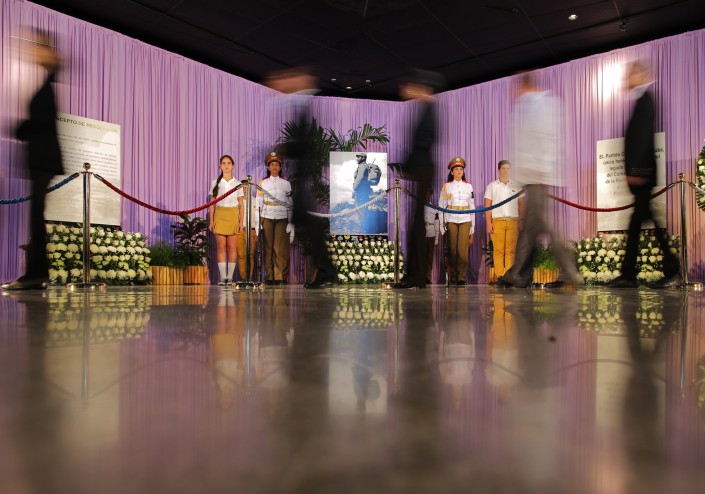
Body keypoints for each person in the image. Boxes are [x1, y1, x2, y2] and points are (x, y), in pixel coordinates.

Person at [496, 71, 582, 289]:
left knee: (542, 225)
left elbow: (547, 140)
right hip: (532, 176)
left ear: (523, 85)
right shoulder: (526, 106)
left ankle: (568, 269)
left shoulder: (543, 104)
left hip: (537, 175)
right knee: (530, 229)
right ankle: (519, 274)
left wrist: (542, 172)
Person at [608, 61, 682, 289]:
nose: (627, 79)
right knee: (640, 221)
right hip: (642, 175)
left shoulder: (646, 100)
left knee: (641, 221)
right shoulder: (642, 100)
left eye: (631, 74)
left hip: (643, 175)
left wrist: (637, 171)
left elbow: (643, 138)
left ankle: (640, 273)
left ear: (641, 75)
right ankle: (637, 273)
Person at [3, 30, 64, 291]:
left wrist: (19, 129)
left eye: (38, 48)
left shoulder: (47, 87)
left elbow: (42, 124)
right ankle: (38, 273)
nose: (33, 53)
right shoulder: (46, 86)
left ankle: (36, 274)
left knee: (37, 216)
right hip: (42, 160)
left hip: (44, 160)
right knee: (37, 215)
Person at [266, 66, 336, 289]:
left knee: (310, 227)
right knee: (309, 227)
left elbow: (306, 145)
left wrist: (286, 148)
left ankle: (327, 271)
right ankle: (326, 271)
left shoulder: (304, 104)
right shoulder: (299, 104)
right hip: (303, 178)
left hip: (305, 177)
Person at [393, 69, 445, 289]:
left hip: (424, 168)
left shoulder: (429, 112)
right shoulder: (426, 110)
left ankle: (416, 275)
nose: (407, 90)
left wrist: (407, 166)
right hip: (422, 168)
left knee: (417, 225)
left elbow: (422, 144)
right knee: (416, 225)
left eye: (412, 86)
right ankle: (416, 275)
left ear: (423, 88)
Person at [256, 151, 293, 285]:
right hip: (267, 216)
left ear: (280, 167)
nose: (274, 167)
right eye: (272, 164)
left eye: (277, 164)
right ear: (268, 167)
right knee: (268, 248)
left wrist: (291, 222)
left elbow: (290, 204)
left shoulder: (286, 184)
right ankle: (269, 276)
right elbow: (258, 203)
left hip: (282, 217)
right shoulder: (263, 183)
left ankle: (279, 276)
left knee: (279, 248)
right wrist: (257, 222)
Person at [439, 157, 476, 285]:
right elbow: (441, 205)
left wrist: (472, 227)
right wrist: (442, 224)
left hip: (465, 219)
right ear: (452, 172)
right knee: (452, 249)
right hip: (451, 218)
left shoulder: (468, 186)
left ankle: (461, 277)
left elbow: (472, 207)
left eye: (461, 169)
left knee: (463, 250)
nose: (459, 171)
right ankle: (452, 276)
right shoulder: (446, 186)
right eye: (456, 169)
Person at [208, 155, 244, 286]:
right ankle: (223, 278)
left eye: (229, 163)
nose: (226, 165)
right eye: (224, 163)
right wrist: (211, 221)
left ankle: (230, 277)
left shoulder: (238, 184)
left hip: (233, 214)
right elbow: (212, 204)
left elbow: (241, 205)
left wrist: (240, 222)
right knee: (221, 247)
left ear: (233, 166)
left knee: (232, 247)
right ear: (220, 166)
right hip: (220, 214)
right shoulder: (215, 183)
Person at [484, 160, 523, 280]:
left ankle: (509, 277)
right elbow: (488, 206)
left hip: (513, 221)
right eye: (503, 168)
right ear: (498, 170)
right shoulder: (492, 186)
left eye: (508, 168)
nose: (506, 171)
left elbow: (522, 204)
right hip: (498, 221)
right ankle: (500, 276)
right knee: (499, 250)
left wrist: (522, 220)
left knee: (511, 251)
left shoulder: (517, 186)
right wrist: (488, 222)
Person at [235, 188, 259, 283]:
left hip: (252, 230)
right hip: (240, 230)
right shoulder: (236, 201)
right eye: (243, 188)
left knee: (251, 255)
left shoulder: (255, 201)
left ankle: (249, 278)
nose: (245, 190)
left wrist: (257, 231)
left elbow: (258, 217)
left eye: (246, 188)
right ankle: (243, 277)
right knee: (241, 255)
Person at [424, 188, 441, 284]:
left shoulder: (435, 208)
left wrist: (437, 238)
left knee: (429, 257)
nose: (427, 196)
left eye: (428, 194)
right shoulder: (419, 207)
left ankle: (427, 277)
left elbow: (437, 224)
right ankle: (420, 276)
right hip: (422, 232)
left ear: (431, 195)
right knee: (421, 256)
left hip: (431, 232)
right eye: (425, 193)